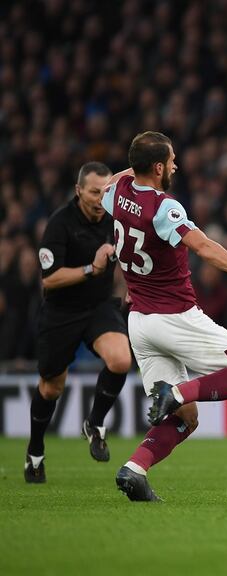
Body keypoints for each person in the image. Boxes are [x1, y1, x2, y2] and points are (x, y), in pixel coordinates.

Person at [104, 131, 227, 501]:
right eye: (171, 160)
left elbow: (106, 184)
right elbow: (204, 247)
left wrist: (133, 168)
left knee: (187, 417)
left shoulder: (116, 193)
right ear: (158, 167)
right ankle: (177, 392)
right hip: (176, 317)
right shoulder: (164, 207)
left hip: (140, 324)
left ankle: (135, 469)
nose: (176, 166)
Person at [23, 162, 133, 483]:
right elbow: (49, 279)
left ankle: (94, 423)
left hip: (98, 306)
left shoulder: (114, 218)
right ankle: (35, 451)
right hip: (61, 311)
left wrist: (132, 286)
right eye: (94, 192)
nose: (100, 199)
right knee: (51, 388)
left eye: (105, 192)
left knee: (121, 359)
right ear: (78, 190)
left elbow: (130, 254)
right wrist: (91, 269)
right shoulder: (60, 224)